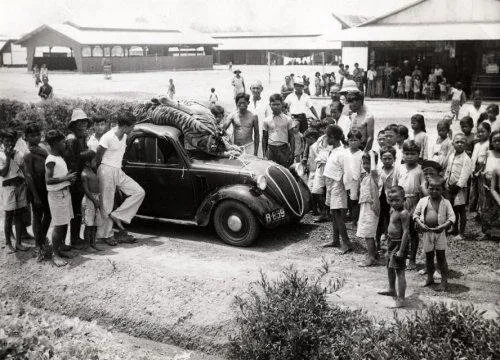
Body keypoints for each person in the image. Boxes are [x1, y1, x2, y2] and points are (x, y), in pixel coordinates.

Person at [96, 113, 145, 245]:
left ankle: (118, 215)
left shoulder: (124, 136)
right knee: (106, 204)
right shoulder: (107, 137)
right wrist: (98, 174)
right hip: (106, 170)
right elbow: (98, 156)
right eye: (132, 127)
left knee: (139, 192)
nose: (133, 129)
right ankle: (106, 235)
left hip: (118, 170)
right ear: (124, 126)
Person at [414, 176, 455, 292]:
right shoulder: (423, 201)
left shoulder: (446, 203)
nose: (434, 191)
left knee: (441, 257)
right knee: (429, 257)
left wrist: (443, 226)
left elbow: (452, 217)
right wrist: (420, 224)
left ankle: (444, 281)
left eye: (438, 189)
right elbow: (415, 215)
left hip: (440, 233)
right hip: (427, 233)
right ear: (427, 188)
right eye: (431, 188)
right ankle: (430, 278)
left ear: (442, 190)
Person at [45, 130, 77, 266]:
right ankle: (55, 254)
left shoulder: (59, 158)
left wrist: (69, 179)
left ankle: (60, 248)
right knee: (58, 225)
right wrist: (66, 178)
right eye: (63, 142)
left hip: (64, 193)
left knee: (64, 222)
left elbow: (60, 176)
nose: (65, 144)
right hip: (57, 196)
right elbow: (48, 180)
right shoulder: (51, 160)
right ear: (55, 144)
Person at [393, 140, 425, 270]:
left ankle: (412, 259)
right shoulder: (399, 168)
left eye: (413, 153)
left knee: (412, 232)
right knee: (399, 231)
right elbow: (394, 186)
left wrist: (420, 208)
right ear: (403, 154)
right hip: (400, 203)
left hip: (414, 202)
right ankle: (401, 255)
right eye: (407, 153)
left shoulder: (420, 170)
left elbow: (423, 188)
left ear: (418, 154)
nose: (409, 156)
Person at [377, 186, 410, 308]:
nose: (394, 203)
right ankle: (391, 289)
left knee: (399, 271)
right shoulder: (392, 210)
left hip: (399, 244)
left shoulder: (404, 213)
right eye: (391, 200)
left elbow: (406, 232)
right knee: (389, 267)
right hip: (391, 243)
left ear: (404, 199)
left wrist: (401, 250)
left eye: (397, 200)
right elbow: (391, 225)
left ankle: (401, 299)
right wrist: (386, 238)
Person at [23, 122, 51, 260]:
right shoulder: (28, 154)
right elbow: (28, 176)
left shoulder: (42, 149)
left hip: (46, 186)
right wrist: (35, 196)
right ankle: (38, 244)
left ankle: (42, 237)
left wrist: (45, 153)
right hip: (36, 188)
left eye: (38, 134)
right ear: (26, 137)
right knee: (37, 215)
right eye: (32, 135)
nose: (36, 138)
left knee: (49, 214)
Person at [323, 125, 352, 254]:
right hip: (331, 185)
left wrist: (348, 189)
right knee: (333, 214)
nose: (325, 138)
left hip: (338, 185)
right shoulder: (334, 150)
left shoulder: (343, 153)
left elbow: (347, 172)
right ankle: (336, 240)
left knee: (338, 215)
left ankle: (347, 243)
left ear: (333, 137)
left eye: (326, 136)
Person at [65, 108, 90, 249]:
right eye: (79, 122)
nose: (82, 124)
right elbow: (72, 160)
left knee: (77, 209)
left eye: (84, 122)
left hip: (80, 176)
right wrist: (88, 154)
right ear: (74, 124)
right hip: (74, 178)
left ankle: (76, 238)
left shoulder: (81, 137)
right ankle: (73, 240)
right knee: (74, 209)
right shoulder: (72, 139)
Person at [0, 129, 28, 253]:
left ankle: (18, 243)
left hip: (20, 185)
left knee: (19, 214)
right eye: (6, 140)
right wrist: (7, 158)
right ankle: (8, 243)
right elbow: (3, 173)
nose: (9, 143)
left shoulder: (18, 153)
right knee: (9, 216)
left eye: (11, 140)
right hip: (8, 187)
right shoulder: (1, 154)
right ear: (2, 141)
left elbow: (23, 170)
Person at [445, 134, 472, 241]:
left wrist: (458, 186)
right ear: (453, 144)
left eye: (462, 142)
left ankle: (461, 233)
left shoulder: (466, 158)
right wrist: (446, 180)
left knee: (461, 209)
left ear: (466, 144)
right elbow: (448, 169)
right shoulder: (452, 155)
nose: (460, 144)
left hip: (459, 188)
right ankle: (454, 228)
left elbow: (465, 174)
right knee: (453, 208)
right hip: (450, 186)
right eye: (457, 142)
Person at [357, 151, 380, 266]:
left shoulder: (374, 175)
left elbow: (373, 170)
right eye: (364, 163)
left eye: (368, 163)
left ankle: (371, 258)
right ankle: (374, 254)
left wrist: (372, 156)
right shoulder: (365, 176)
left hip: (371, 207)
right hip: (365, 207)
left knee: (368, 234)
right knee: (367, 232)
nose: (366, 166)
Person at [262, 94, 294, 167]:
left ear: (282, 104)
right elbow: (264, 138)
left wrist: (292, 153)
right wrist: (264, 154)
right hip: (271, 149)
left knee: (284, 169)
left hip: (283, 149)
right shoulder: (266, 120)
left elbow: (292, 137)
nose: (276, 107)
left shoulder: (288, 119)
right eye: (273, 104)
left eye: (278, 104)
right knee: (271, 169)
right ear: (270, 105)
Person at [81, 150, 103, 251]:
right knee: (89, 224)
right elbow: (86, 191)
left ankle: (93, 243)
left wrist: (97, 199)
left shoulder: (92, 171)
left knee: (94, 224)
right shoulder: (84, 174)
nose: (95, 161)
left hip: (96, 199)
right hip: (90, 200)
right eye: (94, 160)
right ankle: (87, 245)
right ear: (87, 162)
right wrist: (94, 201)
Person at [309, 130, 332, 223]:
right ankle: (323, 213)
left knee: (329, 191)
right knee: (316, 191)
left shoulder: (334, 140)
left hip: (330, 166)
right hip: (320, 166)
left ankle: (328, 214)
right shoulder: (319, 140)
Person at [376, 146, 396, 254]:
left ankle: (391, 245)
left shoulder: (396, 171)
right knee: (379, 222)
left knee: (391, 222)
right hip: (380, 200)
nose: (387, 161)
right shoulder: (379, 171)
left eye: (390, 158)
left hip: (392, 201)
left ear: (394, 159)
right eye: (385, 158)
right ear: (381, 159)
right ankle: (377, 244)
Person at [481, 130, 500, 241]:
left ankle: (497, 232)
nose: (497, 143)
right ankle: (486, 232)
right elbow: (484, 166)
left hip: (498, 183)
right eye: (495, 140)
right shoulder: (489, 153)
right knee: (486, 208)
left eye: (499, 140)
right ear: (491, 142)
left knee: (497, 208)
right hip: (487, 183)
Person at [344, 84, 375, 151]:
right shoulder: (352, 116)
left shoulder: (368, 117)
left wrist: (365, 152)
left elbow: (370, 138)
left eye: (350, 104)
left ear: (357, 103)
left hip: (362, 148)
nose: (349, 106)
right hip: (351, 147)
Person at [469, 122, 491, 213]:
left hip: (483, 170)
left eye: (483, 131)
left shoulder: (489, 144)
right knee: (474, 191)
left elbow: (487, 160)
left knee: (483, 191)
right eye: (478, 132)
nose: (480, 133)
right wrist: (472, 170)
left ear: (489, 132)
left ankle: (483, 211)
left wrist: (481, 171)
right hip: (475, 169)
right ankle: (474, 210)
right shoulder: (477, 144)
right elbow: (473, 158)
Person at [344, 130, 364, 227]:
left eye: (355, 140)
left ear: (360, 141)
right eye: (351, 140)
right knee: (347, 201)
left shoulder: (361, 154)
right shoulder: (344, 153)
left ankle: (354, 221)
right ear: (347, 141)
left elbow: (363, 170)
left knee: (354, 201)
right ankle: (347, 219)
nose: (353, 142)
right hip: (345, 180)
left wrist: (362, 184)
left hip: (355, 181)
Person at [248, 80, 270, 157]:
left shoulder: (266, 103)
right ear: (250, 89)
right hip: (248, 140)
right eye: (253, 88)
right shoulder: (246, 102)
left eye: (258, 88)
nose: (255, 90)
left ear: (262, 89)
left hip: (262, 138)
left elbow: (269, 121)